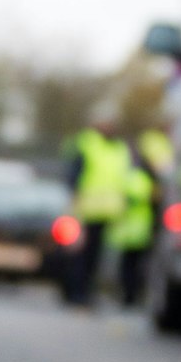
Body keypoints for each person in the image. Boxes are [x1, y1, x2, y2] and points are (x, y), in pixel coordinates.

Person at [62, 119, 130, 306]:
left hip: (107, 213)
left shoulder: (120, 149)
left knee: (95, 257)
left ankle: (86, 293)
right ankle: (75, 293)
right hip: (85, 211)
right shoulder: (88, 144)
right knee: (80, 255)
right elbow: (74, 175)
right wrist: (74, 202)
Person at [108, 147, 159, 308]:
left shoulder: (130, 177)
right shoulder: (145, 179)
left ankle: (129, 296)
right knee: (137, 266)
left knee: (129, 266)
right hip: (139, 229)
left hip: (130, 230)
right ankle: (132, 296)